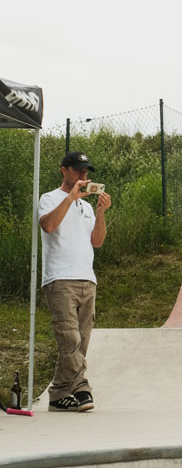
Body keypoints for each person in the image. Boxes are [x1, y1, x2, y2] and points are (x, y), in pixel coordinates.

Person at [38, 151, 112, 413]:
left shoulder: (87, 206)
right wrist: (70, 198)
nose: (83, 175)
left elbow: (97, 241)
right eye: (78, 170)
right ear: (64, 171)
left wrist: (101, 212)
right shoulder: (49, 198)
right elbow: (48, 226)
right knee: (69, 339)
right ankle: (81, 389)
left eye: (86, 171)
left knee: (80, 342)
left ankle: (58, 395)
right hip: (60, 278)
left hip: (87, 278)